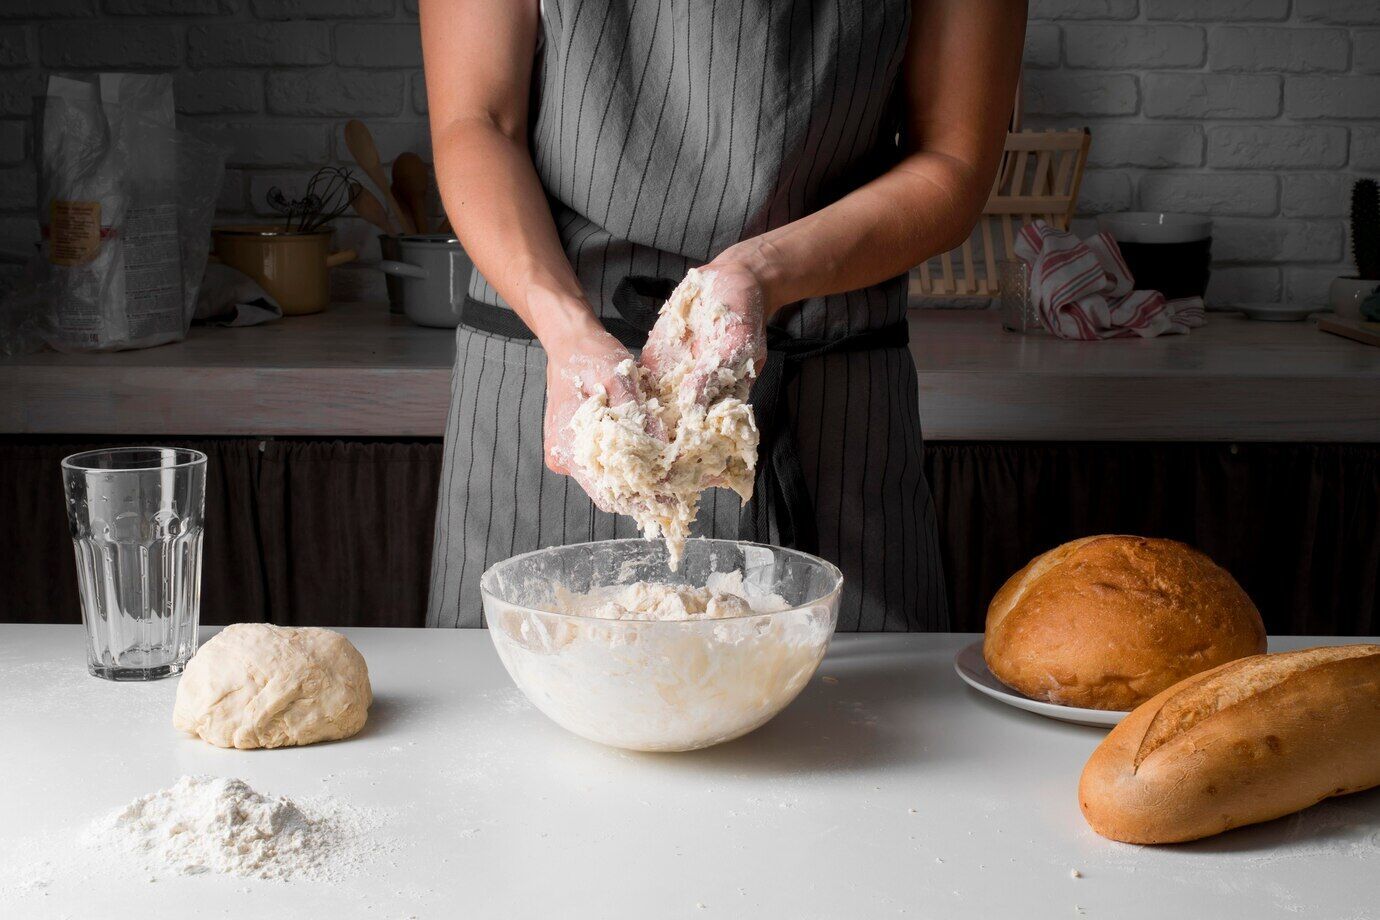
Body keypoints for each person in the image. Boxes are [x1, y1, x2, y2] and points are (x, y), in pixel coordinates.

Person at [420, 0, 1026, 630]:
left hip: (827, 397)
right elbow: (477, 121)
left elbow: (953, 162)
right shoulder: (564, 347)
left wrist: (765, 271)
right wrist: (565, 326)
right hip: (562, 371)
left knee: (865, 715)